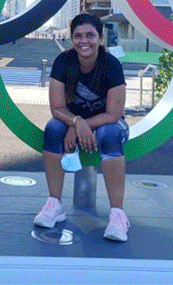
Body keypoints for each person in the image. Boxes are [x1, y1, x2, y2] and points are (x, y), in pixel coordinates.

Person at [33, 13, 131, 241]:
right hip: (75, 123)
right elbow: (57, 108)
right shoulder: (63, 62)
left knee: (109, 135)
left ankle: (118, 215)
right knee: (53, 129)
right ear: (71, 39)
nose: (83, 40)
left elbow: (113, 114)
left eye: (90, 35)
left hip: (107, 123)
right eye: (78, 36)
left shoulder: (111, 65)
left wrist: (81, 125)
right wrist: (76, 122)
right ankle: (54, 204)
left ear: (100, 39)